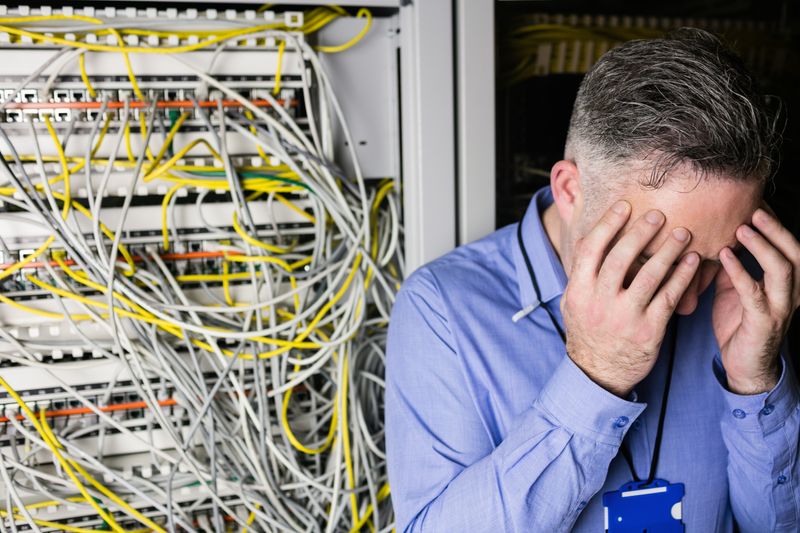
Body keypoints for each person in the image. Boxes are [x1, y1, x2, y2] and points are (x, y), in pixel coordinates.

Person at [385, 28, 800, 532]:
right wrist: (596, 374)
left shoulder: (742, 299)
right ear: (570, 190)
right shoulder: (443, 308)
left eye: (713, 257)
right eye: (656, 257)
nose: (688, 301)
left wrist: (755, 383)